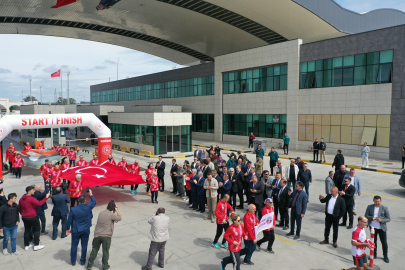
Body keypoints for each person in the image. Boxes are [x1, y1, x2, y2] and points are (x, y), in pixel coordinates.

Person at [87, 200, 122, 270]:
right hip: (106, 236)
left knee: (94, 250)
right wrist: (117, 210)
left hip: (97, 235)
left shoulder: (101, 213)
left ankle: (89, 265)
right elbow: (119, 218)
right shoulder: (111, 215)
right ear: (113, 208)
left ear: (107, 206)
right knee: (105, 252)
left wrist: (113, 211)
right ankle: (105, 266)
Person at [66, 189, 97, 266]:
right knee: (84, 245)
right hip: (85, 229)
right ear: (85, 200)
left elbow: (69, 220)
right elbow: (94, 202)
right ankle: (82, 260)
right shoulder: (88, 207)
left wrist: (67, 229)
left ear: (78, 200)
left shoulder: (73, 209)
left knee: (74, 245)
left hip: (76, 229)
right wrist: (91, 194)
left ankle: (73, 261)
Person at [18, 186, 50, 251]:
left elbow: (19, 208)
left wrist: (23, 214)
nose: (34, 191)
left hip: (24, 217)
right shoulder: (31, 198)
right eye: (33, 190)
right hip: (32, 216)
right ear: (29, 191)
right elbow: (39, 203)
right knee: (37, 230)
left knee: (27, 230)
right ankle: (36, 245)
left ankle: (26, 245)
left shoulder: (21, 199)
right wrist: (46, 197)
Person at [365, 196, 390, 263]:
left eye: (378, 201)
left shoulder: (384, 208)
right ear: (373, 200)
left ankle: (385, 256)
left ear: (381, 201)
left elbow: (388, 218)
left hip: (381, 228)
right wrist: (371, 217)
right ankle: (374, 255)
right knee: (373, 242)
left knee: (384, 243)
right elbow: (366, 216)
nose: (377, 202)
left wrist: (381, 220)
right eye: (375, 201)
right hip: (373, 227)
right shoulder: (370, 207)